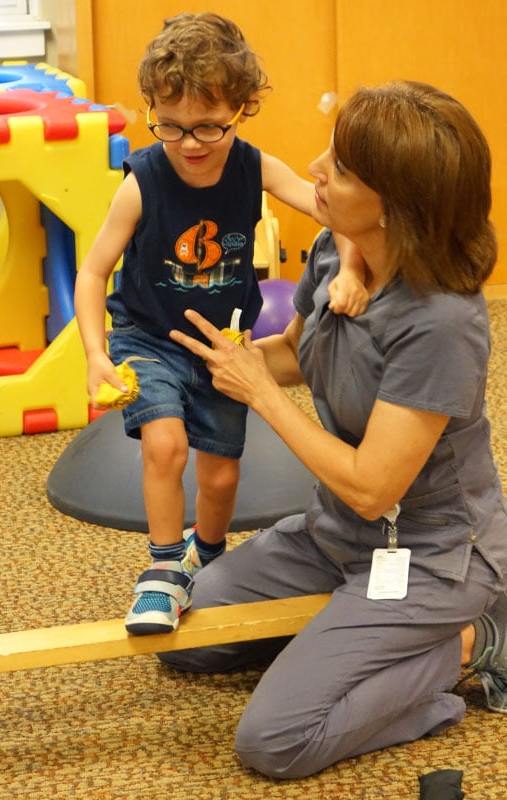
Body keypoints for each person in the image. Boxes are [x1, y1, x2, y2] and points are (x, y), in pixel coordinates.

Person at [163, 81, 507, 779]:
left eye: (341, 168)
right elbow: (297, 352)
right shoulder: (334, 253)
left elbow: (375, 487)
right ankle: (358, 639)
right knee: (187, 643)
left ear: (397, 208)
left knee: (275, 741)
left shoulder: (441, 323)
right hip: (340, 534)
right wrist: (217, 365)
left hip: (431, 556)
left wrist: (260, 396)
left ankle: (469, 640)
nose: (316, 168)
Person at [74, 12, 368, 636]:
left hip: (223, 347)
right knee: (164, 443)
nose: (189, 143)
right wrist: (97, 355)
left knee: (222, 476)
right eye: (170, 125)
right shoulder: (143, 181)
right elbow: (94, 272)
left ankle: (204, 553)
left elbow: (331, 208)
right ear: (152, 109)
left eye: (209, 126)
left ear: (243, 108)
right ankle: (161, 571)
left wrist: (348, 270)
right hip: (147, 337)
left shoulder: (252, 166)